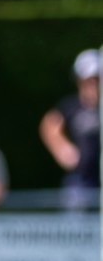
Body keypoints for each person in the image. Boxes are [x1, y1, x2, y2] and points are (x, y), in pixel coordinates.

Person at [39, 50, 100, 208]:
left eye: (97, 80)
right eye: (89, 80)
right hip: (81, 180)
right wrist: (63, 150)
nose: (93, 85)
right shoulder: (72, 106)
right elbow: (49, 124)